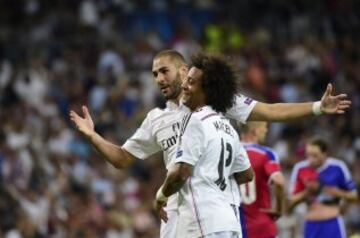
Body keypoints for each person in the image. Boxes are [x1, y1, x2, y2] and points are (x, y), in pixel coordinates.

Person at [69, 49, 351, 237]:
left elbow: (271, 111)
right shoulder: (156, 119)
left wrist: (316, 107)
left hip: (207, 217)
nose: (158, 79)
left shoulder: (215, 104)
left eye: (163, 71)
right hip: (175, 221)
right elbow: (121, 158)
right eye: (154, 74)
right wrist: (93, 136)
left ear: (183, 71)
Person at [155, 53, 254, 238]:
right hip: (230, 223)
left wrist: (161, 196)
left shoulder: (195, 120)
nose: (184, 85)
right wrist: (215, 180)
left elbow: (180, 172)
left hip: (202, 220)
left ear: (207, 91)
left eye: (191, 82)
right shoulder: (229, 128)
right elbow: (247, 174)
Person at [288, 138, 358, 238]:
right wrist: (307, 192)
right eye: (308, 155)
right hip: (310, 225)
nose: (310, 159)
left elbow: (354, 196)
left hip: (332, 224)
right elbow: (289, 203)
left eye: (315, 155)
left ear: (325, 153)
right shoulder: (300, 168)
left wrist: (330, 191)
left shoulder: (337, 167)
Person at [237, 121, 285, 238]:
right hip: (261, 227)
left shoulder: (229, 153)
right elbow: (279, 182)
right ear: (255, 131)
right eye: (264, 127)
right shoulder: (266, 154)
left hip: (235, 227)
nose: (266, 131)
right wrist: (279, 209)